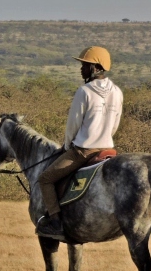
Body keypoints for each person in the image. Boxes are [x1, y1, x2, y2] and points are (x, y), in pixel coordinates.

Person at [35, 46, 124, 240]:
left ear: (95, 68)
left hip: (83, 150)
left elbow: (73, 125)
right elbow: (115, 125)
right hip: (108, 148)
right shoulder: (117, 92)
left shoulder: (84, 91)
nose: (81, 69)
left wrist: (67, 146)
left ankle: (56, 223)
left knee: (45, 179)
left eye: (84, 65)